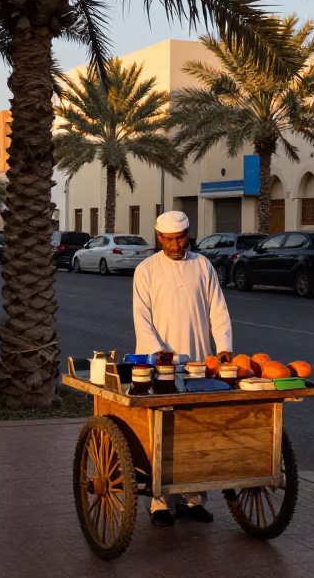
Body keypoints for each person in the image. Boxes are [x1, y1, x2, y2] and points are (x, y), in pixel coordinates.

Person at [132, 210, 232, 528]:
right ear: (158, 237)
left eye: (180, 238)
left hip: (198, 362)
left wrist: (224, 347)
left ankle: (195, 499)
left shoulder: (202, 265)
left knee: (195, 431)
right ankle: (160, 503)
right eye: (168, 239)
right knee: (162, 431)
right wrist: (157, 351)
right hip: (160, 364)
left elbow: (218, 309)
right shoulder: (146, 270)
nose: (175, 244)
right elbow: (142, 318)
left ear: (188, 234)